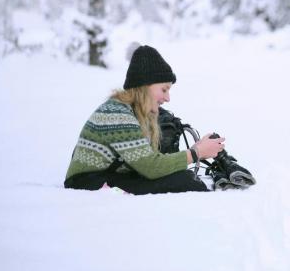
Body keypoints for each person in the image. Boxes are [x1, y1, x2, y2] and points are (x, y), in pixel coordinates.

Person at [64, 45, 226, 194]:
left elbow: (150, 161)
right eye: (164, 89)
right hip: (87, 182)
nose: (167, 98)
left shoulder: (136, 112)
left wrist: (196, 150)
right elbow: (151, 167)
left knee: (183, 177)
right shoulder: (117, 114)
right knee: (184, 181)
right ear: (145, 85)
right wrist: (195, 153)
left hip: (108, 176)